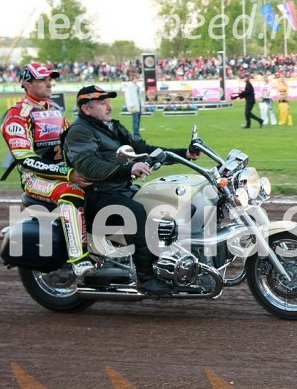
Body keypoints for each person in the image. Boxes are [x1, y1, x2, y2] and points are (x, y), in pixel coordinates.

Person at [64, 85, 200, 295]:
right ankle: (146, 277)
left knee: (173, 206)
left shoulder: (111, 127)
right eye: (102, 103)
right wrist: (128, 168)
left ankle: (171, 263)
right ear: (86, 109)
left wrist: (184, 153)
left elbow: (143, 149)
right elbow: (88, 165)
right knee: (135, 212)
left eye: (108, 101)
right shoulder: (79, 131)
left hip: (120, 190)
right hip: (98, 195)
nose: (109, 106)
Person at [0, 62, 95, 278]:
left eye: (49, 79)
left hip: (62, 172)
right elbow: (25, 159)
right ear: (27, 83)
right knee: (72, 192)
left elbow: (73, 141)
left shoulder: (54, 109)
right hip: (35, 179)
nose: (49, 83)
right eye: (42, 79)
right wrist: (68, 174)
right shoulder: (18, 115)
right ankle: (78, 258)